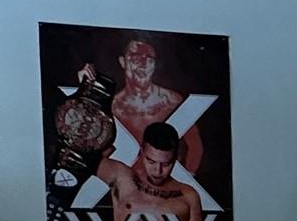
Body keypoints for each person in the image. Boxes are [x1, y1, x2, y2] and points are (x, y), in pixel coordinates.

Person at [78, 37, 204, 171]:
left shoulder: (172, 100)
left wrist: (187, 181)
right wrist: (83, 92)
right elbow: (91, 149)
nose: (143, 63)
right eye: (136, 57)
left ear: (154, 65)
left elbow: (195, 147)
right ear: (123, 62)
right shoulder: (111, 106)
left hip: (161, 187)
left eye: (149, 58)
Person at [96, 122, 200, 221]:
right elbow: (81, 161)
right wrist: (105, 147)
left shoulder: (188, 196)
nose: (158, 171)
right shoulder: (121, 177)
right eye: (151, 161)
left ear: (176, 158)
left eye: (166, 164)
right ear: (141, 152)